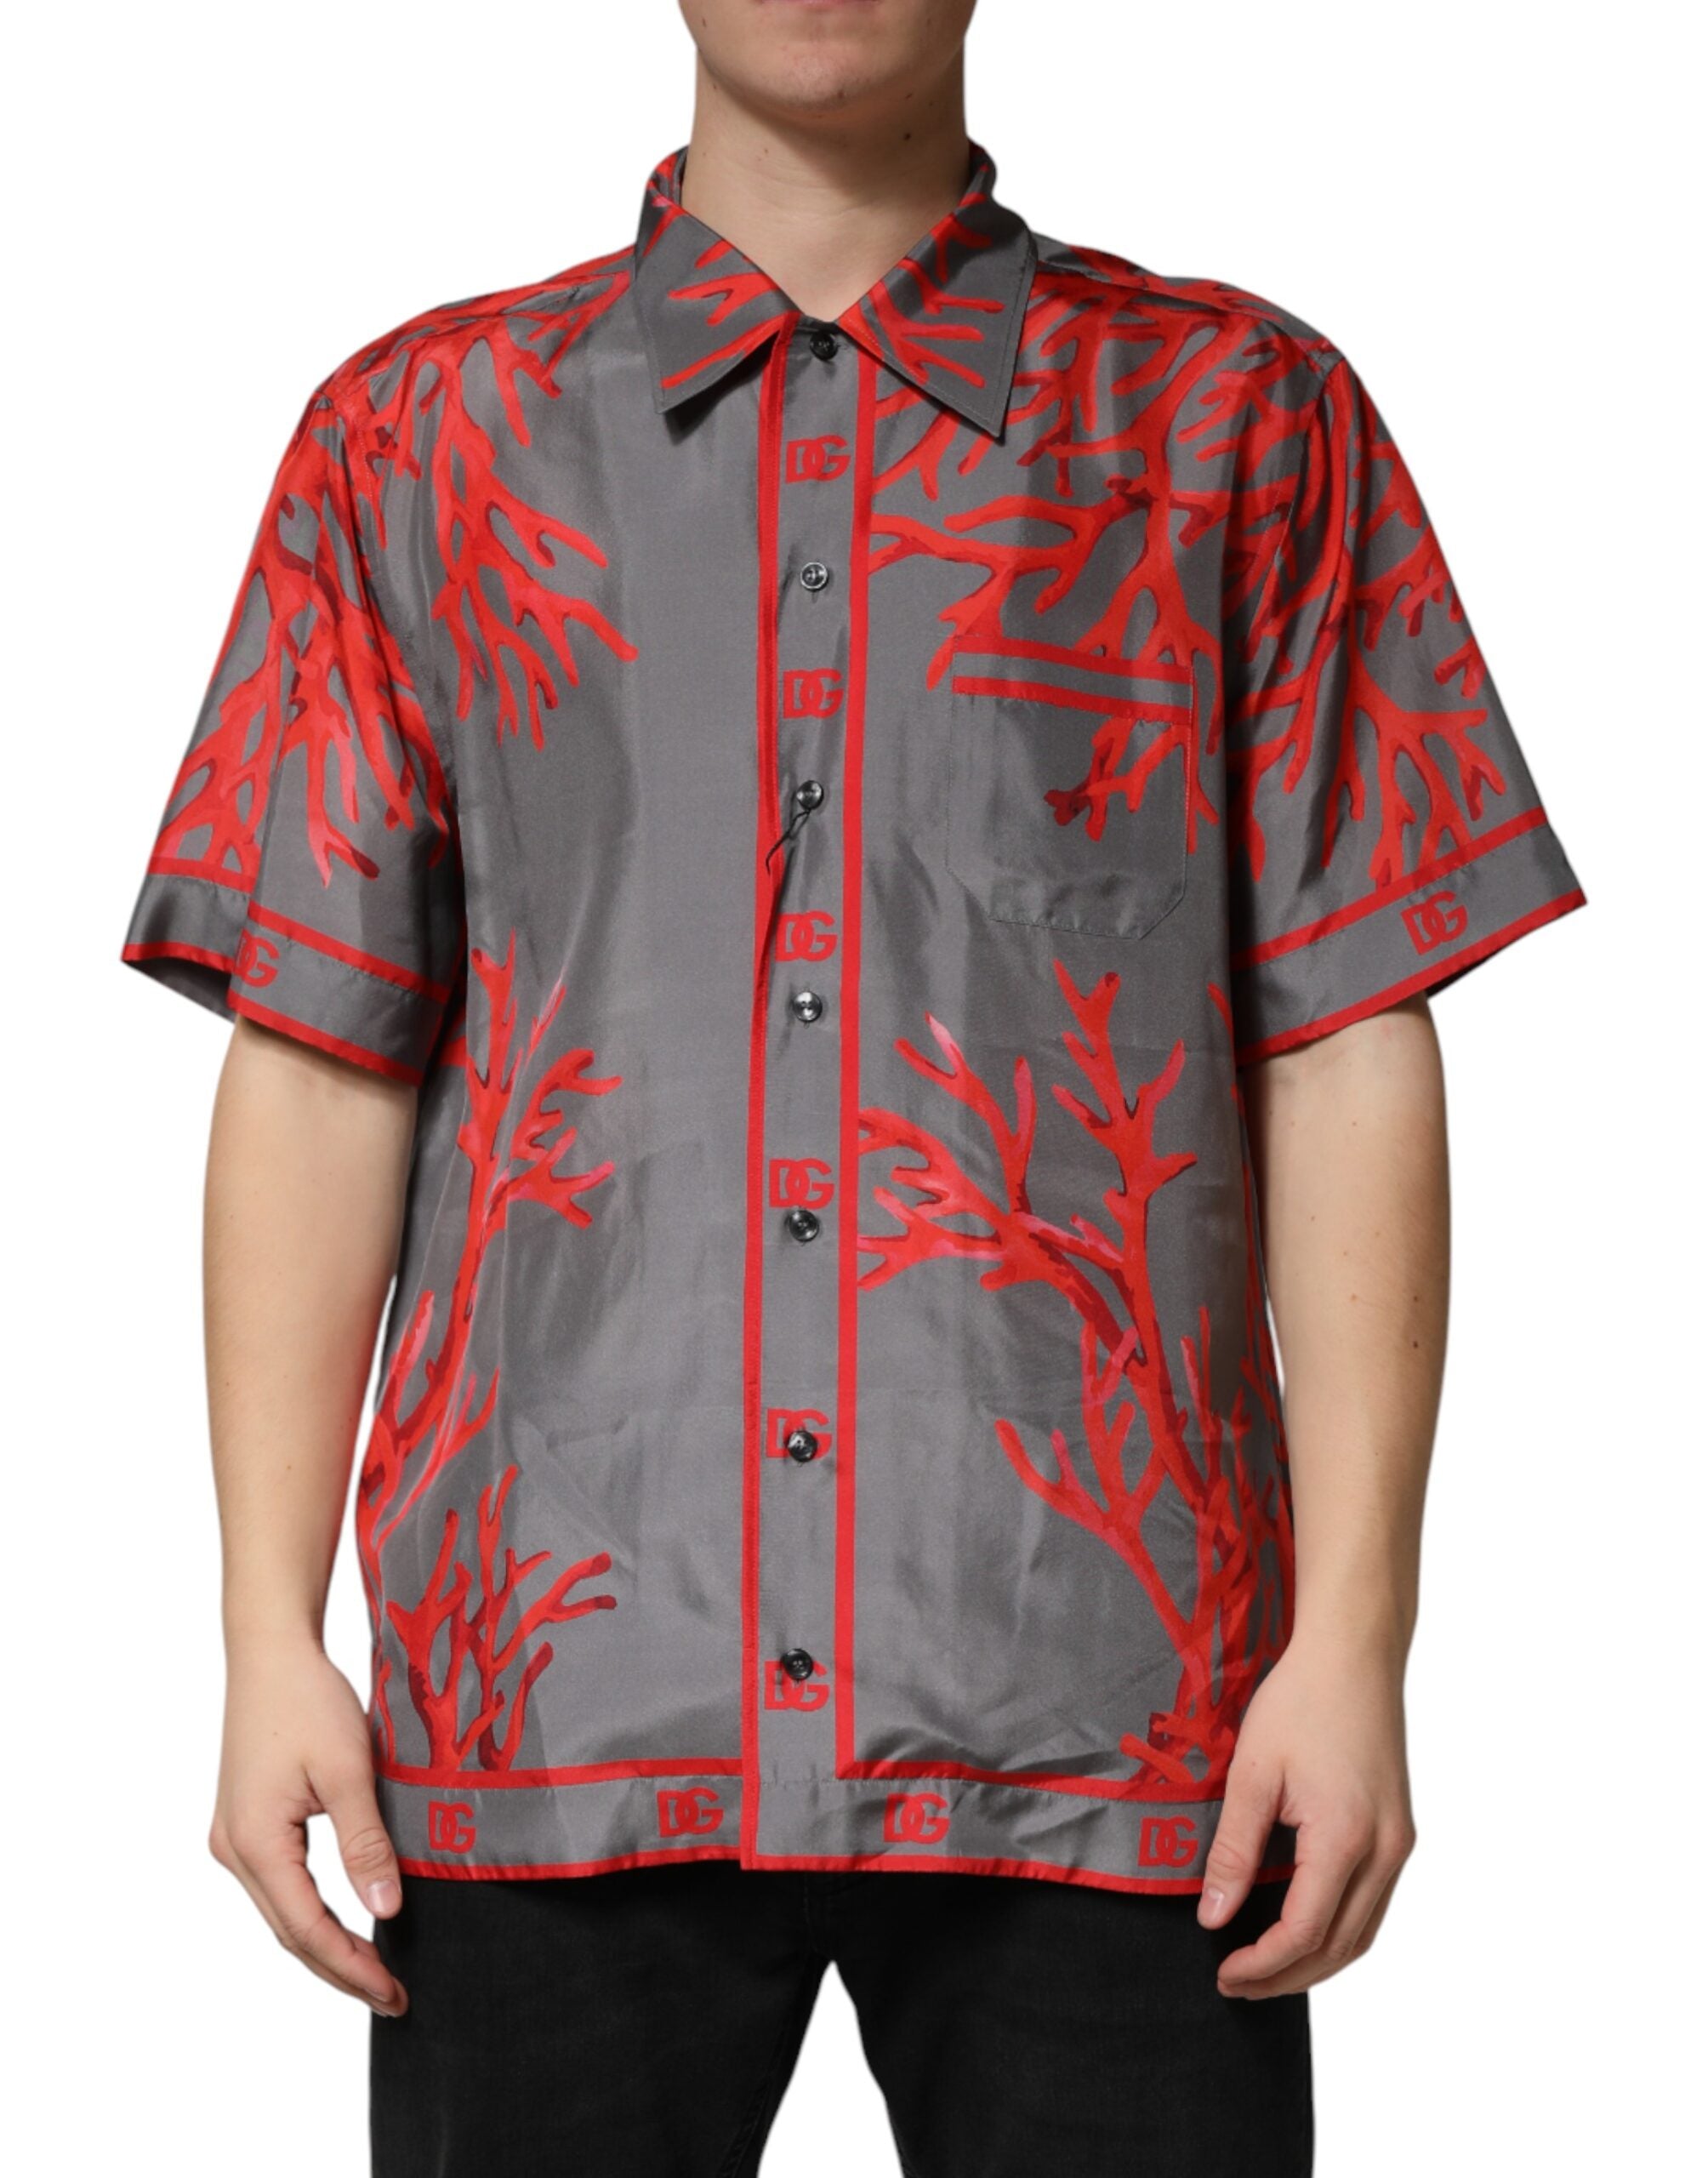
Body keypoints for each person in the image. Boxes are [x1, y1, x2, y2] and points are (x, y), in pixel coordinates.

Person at [118, 2, 1584, 2171]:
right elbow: (324, 1057)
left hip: (1115, 1714)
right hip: (548, 1698)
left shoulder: (1236, 419)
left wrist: (1353, 1638)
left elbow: (1343, 1031)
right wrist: (266, 1632)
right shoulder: (418, 441)